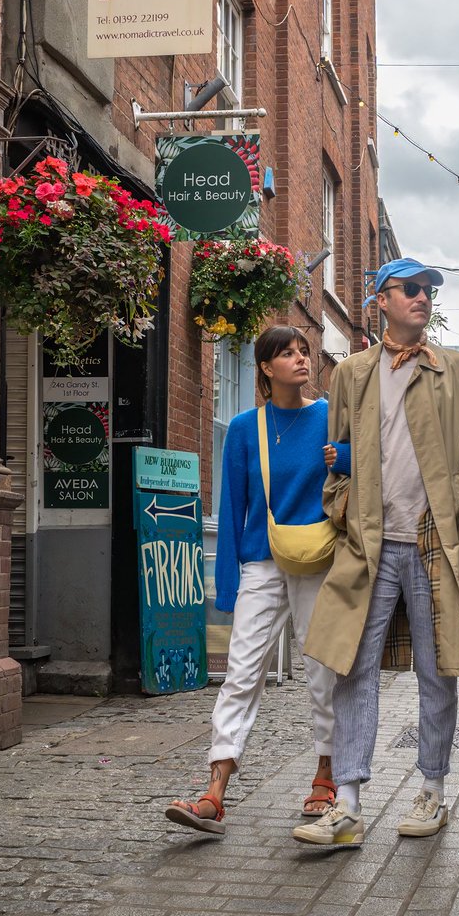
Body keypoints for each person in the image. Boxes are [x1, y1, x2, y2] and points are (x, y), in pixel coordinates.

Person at [293, 258, 459, 847]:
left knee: (438, 672)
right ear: (381, 299)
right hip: (370, 547)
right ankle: (348, 804)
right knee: (352, 668)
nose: (422, 298)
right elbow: (338, 458)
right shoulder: (352, 374)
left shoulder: (457, 370)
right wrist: (346, 504)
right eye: (409, 289)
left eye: (428, 290)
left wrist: (451, 509)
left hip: (435, 546)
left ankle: (432, 791)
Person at [165, 325, 349, 834]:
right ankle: (214, 791)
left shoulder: (332, 416)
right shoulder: (247, 428)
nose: (300, 359)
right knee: (242, 671)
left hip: (319, 558)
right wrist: (225, 582)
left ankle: (325, 776)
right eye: (287, 353)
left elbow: (363, 474)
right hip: (261, 561)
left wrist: (347, 457)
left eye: (304, 351)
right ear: (265, 368)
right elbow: (232, 506)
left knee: (321, 670)